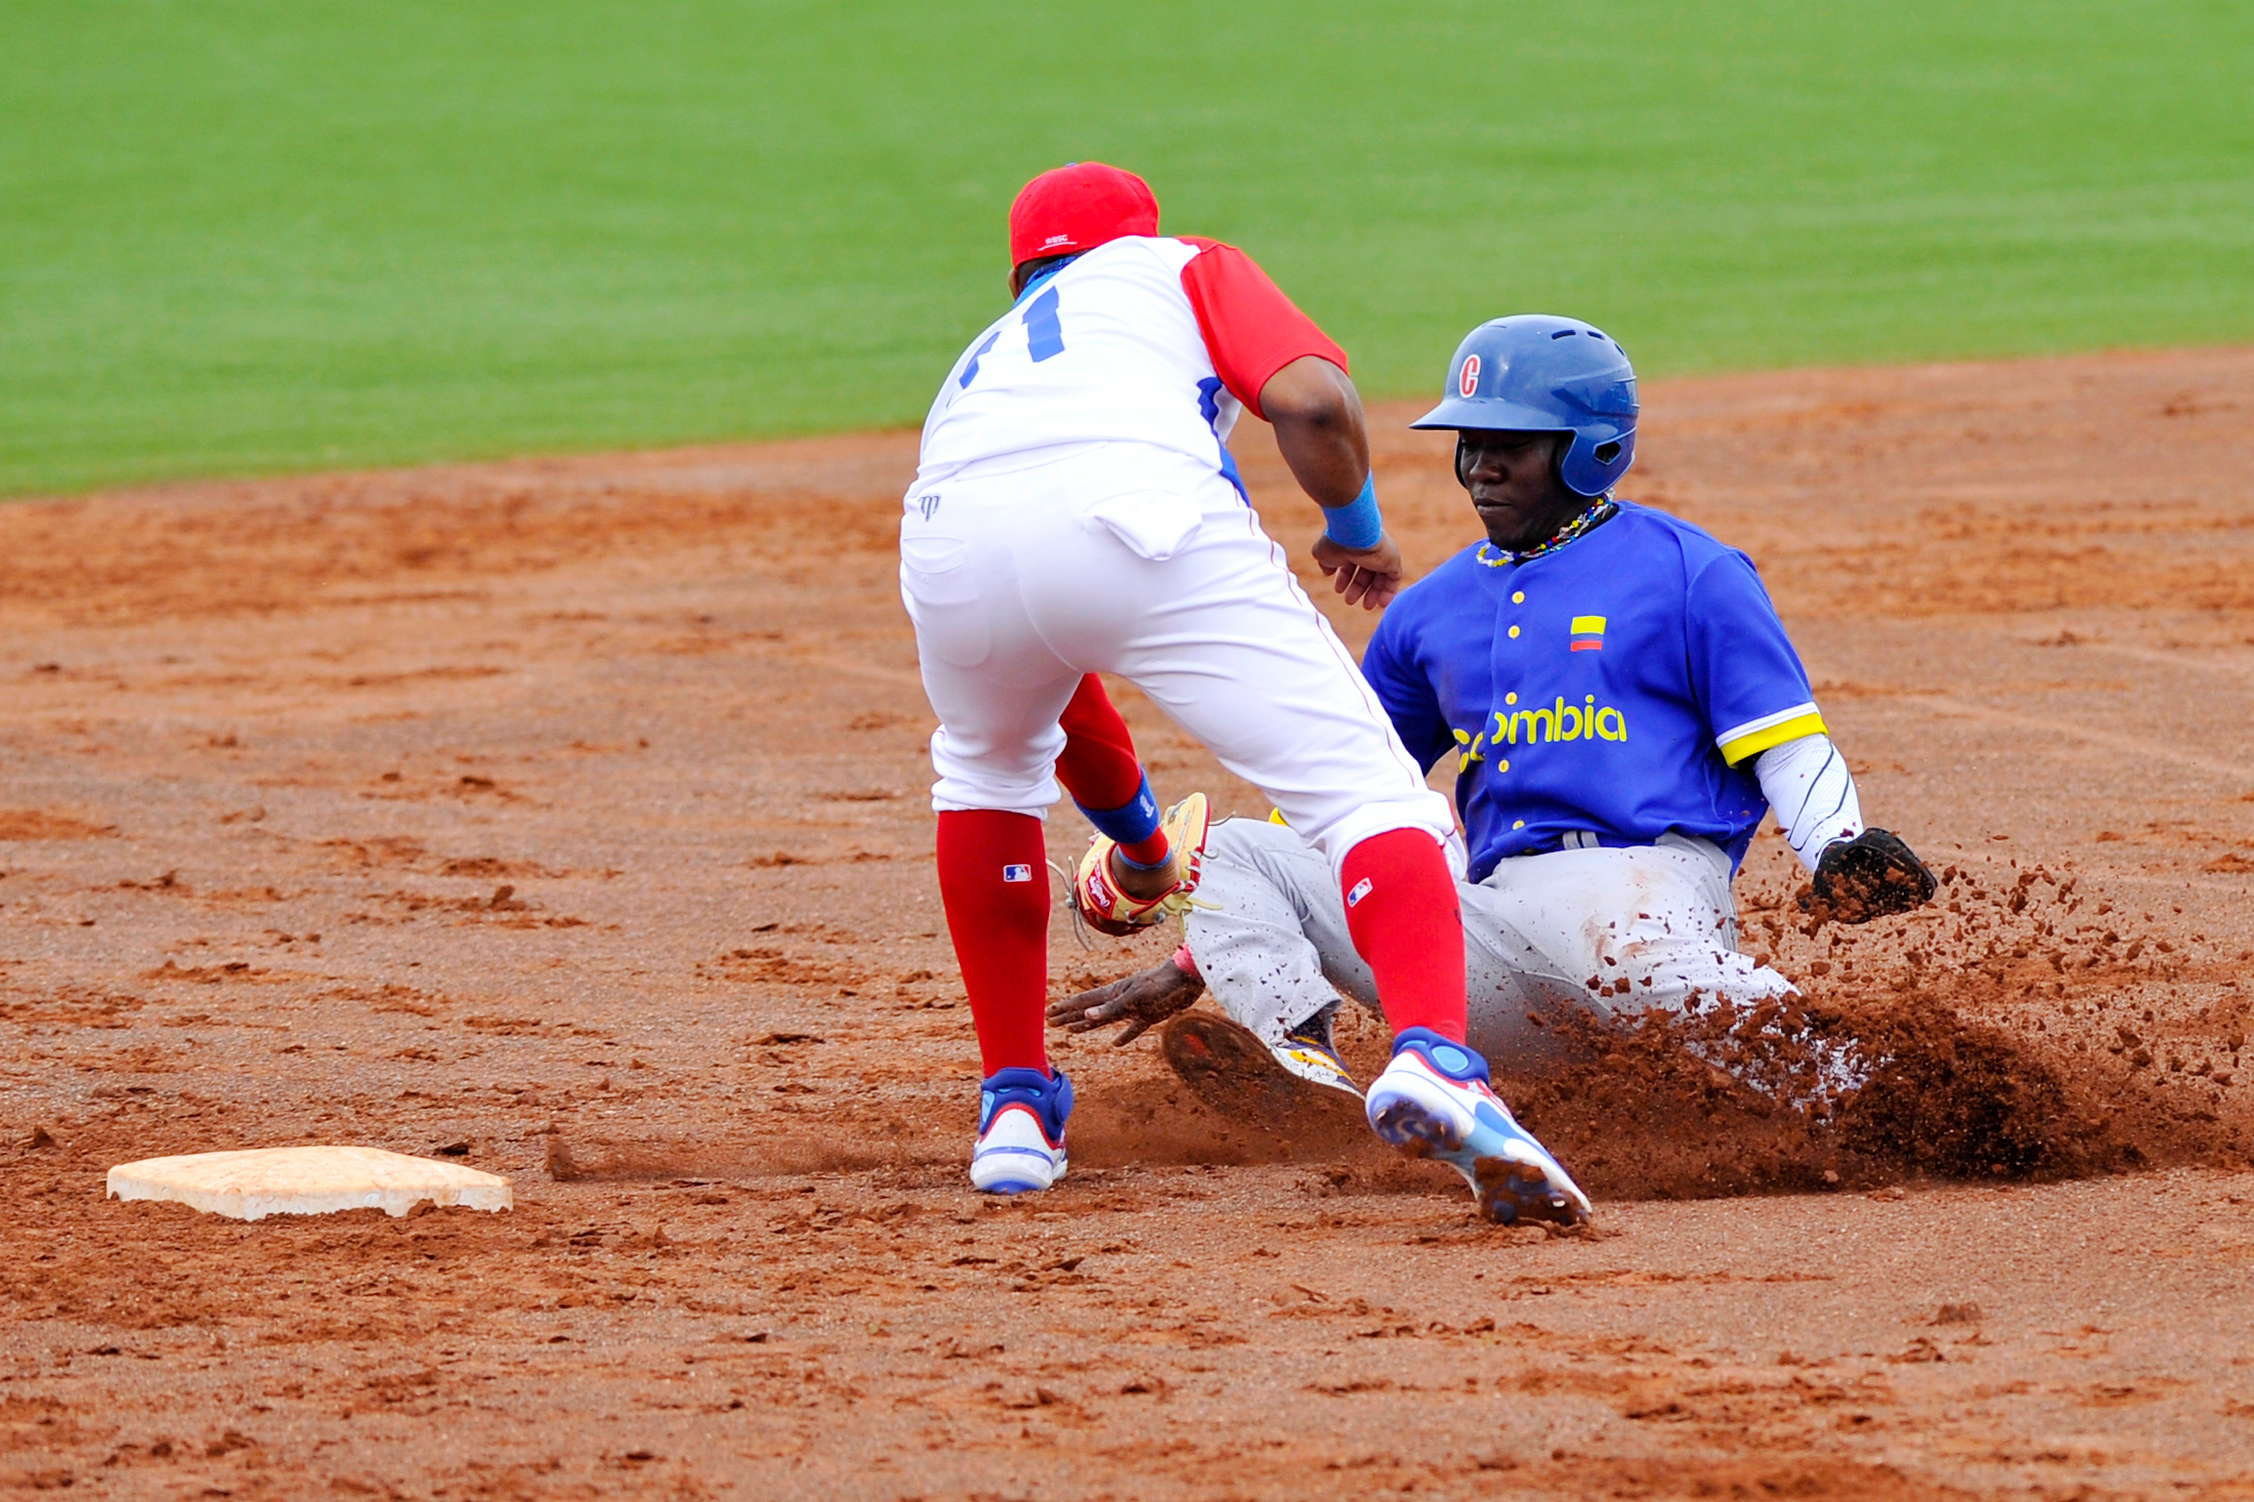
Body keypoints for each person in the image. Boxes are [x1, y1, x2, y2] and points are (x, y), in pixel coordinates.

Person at [903, 163, 1587, 1225]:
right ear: (1133, 234)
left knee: (985, 773)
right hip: (1136, 507)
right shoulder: (1176, 267)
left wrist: (1139, 848)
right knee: (1366, 793)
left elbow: (1067, 681)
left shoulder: (984, 370)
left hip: (944, 536)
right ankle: (1438, 1062)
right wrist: (1354, 522)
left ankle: (1015, 1113)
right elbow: (1310, 398)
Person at [1051, 314, 1936, 1126]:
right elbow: (1339, 799)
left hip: (1643, 913)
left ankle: (1941, 1113)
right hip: (1497, 942)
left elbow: (1785, 738)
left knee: (1861, 1097)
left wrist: (1838, 845)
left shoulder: (1689, 572)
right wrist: (1196, 960)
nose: (1480, 464)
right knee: (1239, 852)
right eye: (1469, 441)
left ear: (1589, 450)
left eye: (1510, 445)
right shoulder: (1426, 615)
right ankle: (1305, 1071)